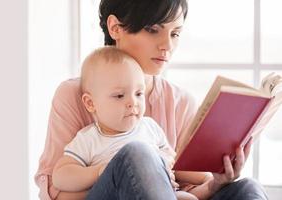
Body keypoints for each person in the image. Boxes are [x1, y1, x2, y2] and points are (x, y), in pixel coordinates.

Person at [35, 0, 269, 199]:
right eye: (153, 29)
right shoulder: (74, 95)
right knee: (138, 154)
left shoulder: (180, 102)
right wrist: (120, 173)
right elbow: (58, 192)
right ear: (115, 27)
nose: (167, 46)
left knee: (247, 188)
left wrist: (216, 181)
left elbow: (188, 189)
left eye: (175, 33)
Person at [52, 46, 199, 200]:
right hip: (112, 195)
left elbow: (172, 160)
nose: (132, 102)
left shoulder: (150, 127)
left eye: (138, 93)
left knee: (189, 198)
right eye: (120, 95)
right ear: (90, 103)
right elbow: (60, 176)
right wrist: (99, 171)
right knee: (138, 152)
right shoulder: (89, 138)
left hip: (156, 192)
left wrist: (205, 178)